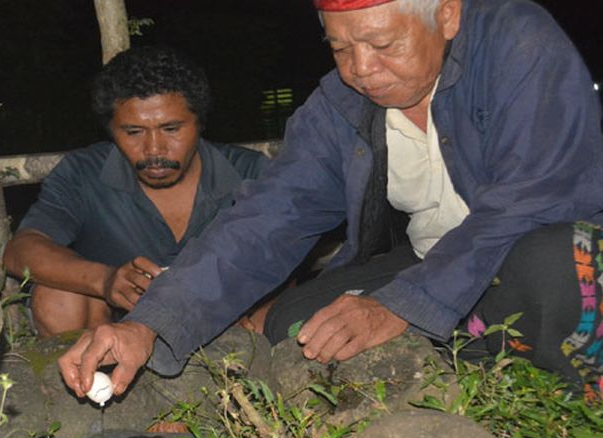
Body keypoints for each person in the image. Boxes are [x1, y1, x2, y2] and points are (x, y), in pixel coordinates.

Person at [58, 0, 603, 401]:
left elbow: (533, 199)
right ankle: (470, 344)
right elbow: (266, 220)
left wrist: (400, 305)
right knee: (297, 323)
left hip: (535, 238)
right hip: (430, 260)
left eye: (384, 45)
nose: (360, 69)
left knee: (555, 264)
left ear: (448, 14)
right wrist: (147, 324)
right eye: (341, 48)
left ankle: (558, 390)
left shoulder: (518, 41)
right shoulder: (341, 103)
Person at [3, 46, 270, 337]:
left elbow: (293, 245)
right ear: (111, 130)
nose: (154, 149)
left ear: (200, 123)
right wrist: (105, 280)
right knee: (57, 298)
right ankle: (94, 379)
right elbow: (21, 250)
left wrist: (263, 301)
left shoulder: (250, 173)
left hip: (226, 324)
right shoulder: (85, 173)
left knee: (273, 302)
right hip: (114, 329)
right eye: (133, 132)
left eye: (171, 129)